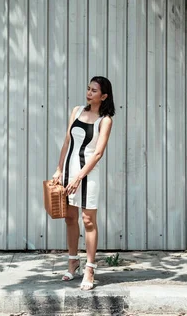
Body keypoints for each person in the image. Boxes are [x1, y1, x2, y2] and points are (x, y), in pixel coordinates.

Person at [52, 76, 115, 291]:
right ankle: (72, 262)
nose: (89, 93)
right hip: (69, 172)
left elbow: (97, 153)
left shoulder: (105, 120)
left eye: (94, 90)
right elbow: (67, 142)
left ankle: (89, 268)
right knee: (70, 217)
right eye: (88, 88)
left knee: (88, 220)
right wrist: (60, 169)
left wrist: (79, 178)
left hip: (88, 175)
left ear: (104, 96)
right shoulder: (77, 111)